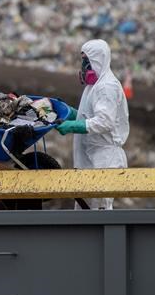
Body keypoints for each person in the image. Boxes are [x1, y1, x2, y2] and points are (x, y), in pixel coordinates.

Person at [55, 39, 129, 209]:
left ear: (98, 60)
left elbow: (105, 122)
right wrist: (70, 114)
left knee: (99, 212)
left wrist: (72, 126)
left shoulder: (107, 87)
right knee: (84, 212)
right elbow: (90, 115)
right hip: (91, 157)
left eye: (86, 61)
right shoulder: (94, 87)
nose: (83, 66)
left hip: (104, 159)